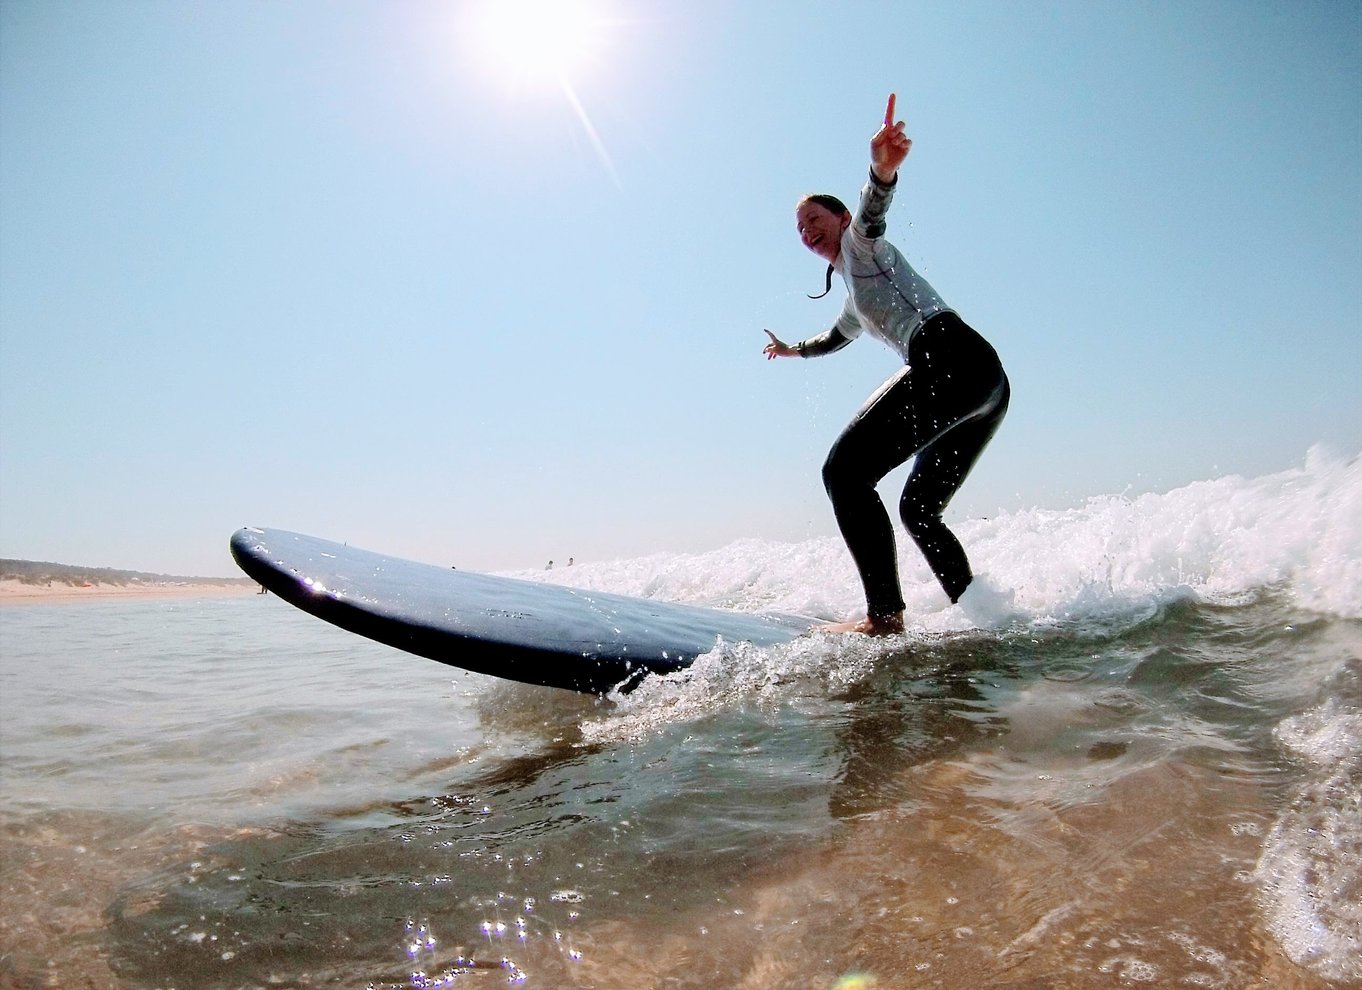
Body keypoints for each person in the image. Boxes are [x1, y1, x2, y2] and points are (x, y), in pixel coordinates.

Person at [763, 93, 1010, 636]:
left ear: (841, 219)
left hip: (948, 357)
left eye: (814, 218)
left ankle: (884, 618)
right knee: (919, 510)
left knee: (843, 472)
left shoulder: (861, 249)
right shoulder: (854, 298)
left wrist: (880, 172)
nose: (807, 230)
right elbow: (834, 338)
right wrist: (791, 350)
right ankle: (988, 618)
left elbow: (873, 215)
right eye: (799, 228)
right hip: (984, 381)